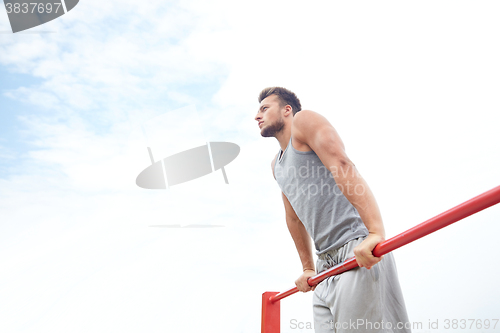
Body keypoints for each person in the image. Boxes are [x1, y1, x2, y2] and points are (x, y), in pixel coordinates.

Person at [255, 87, 411, 333]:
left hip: (355, 248)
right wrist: (308, 267)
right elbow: (293, 218)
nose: (257, 115)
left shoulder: (304, 121)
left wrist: (374, 233)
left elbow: (342, 164)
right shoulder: (277, 165)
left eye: (264, 108)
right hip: (325, 266)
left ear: (287, 110)